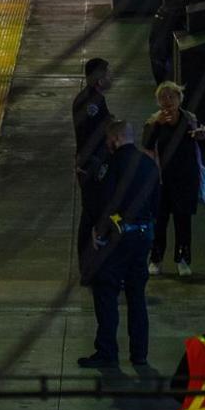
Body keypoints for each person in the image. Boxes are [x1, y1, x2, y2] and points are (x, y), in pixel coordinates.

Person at [77, 118, 159, 369]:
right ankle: (140, 353)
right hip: (143, 234)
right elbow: (157, 202)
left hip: (117, 237)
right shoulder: (149, 164)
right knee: (136, 296)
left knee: (106, 292)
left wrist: (97, 232)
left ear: (114, 139)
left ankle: (107, 351)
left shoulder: (109, 164)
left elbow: (103, 202)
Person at [141, 80, 205, 277]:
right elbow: (146, 144)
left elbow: (202, 146)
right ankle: (156, 259)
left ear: (180, 98)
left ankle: (183, 259)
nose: (168, 101)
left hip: (186, 179)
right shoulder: (153, 121)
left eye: (172, 96)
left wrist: (203, 136)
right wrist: (157, 125)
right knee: (159, 222)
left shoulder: (190, 119)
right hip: (161, 181)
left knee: (183, 222)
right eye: (163, 97)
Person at [71, 58, 114, 284]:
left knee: (93, 214)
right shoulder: (91, 104)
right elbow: (100, 132)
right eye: (107, 74)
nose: (111, 78)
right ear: (98, 78)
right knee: (90, 217)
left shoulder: (91, 99)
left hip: (90, 164)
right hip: (91, 167)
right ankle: (88, 269)